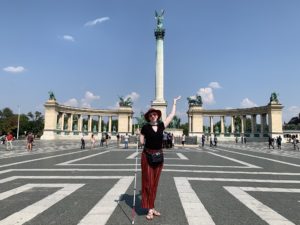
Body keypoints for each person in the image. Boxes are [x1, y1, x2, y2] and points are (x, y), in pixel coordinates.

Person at [140, 96, 181, 220]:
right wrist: (140, 139)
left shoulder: (162, 126)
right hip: (147, 156)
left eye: (155, 114)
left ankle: (151, 206)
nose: (153, 116)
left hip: (158, 157)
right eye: (151, 115)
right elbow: (141, 140)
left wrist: (174, 103)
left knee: (155, 184)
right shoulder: (145, 127)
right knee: (148, 183)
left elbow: (172, 115)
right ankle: (149, 209)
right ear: (149, 117)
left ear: (157, 116)